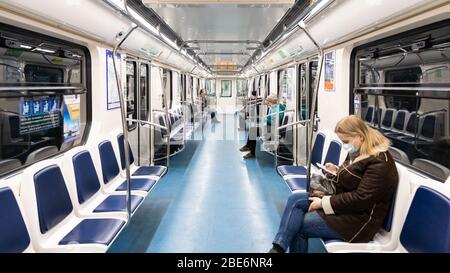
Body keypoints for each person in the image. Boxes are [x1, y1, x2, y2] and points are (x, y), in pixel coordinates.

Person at [269, 115, 398, 253]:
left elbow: (361, 198)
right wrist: (336, 171)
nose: (344, 145)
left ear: (360, 136)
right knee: (295, 199)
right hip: (345, 207)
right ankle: (277, 248)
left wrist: (323, 203)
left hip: (359, 221)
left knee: (299, 226)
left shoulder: (379, 163)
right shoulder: (359, 150)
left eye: (346, 141)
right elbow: (355, 177)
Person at [241, 94, 285, 159]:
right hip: (270, 128)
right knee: (253, 129)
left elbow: (274, 123)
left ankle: (252, 153)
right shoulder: (275, 108)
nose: (268, 104)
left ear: (272, 102)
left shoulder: (276, 110)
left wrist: (265, 119)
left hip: (272, 131)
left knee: (253, 131)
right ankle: (248, 146)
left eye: (268, 102)